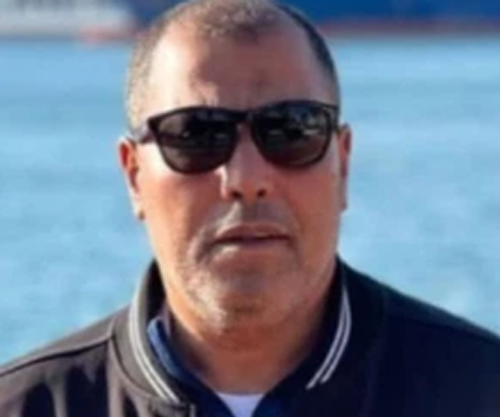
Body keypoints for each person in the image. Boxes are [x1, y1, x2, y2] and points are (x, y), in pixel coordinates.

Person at [1, 0, 499, 416]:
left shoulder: (479, 392)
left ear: (343, 164)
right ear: (134, 175)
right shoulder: (27, 405)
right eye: (195, 134)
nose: (246, 180)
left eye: (292, 130)